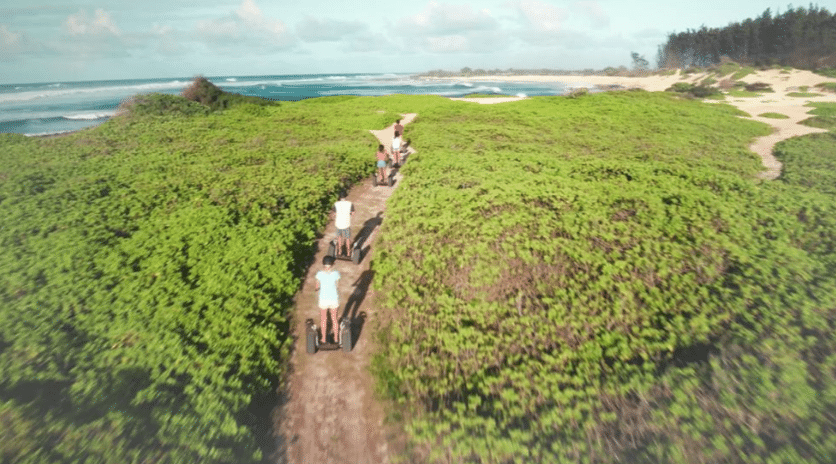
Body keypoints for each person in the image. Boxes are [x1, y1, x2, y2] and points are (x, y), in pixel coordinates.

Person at [315, 256, 340, 344]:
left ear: (323, 264)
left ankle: (324, 339)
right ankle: (336, 338)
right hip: (334, 299)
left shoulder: (319, 274)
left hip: (323, 299)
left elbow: (317, 287)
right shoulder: (336, 273)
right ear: (332, 264)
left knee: (323, 319)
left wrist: (317, 289)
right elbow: (337, 286)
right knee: (334, 319)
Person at [332, 192, 354, 256]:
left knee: (339, 238)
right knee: (347, 238)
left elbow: (334, 214)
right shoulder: (350, 204)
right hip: (346, 223)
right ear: (346, 197)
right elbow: (353, 213)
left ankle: (339, 251)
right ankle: (348, 252)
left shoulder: (336, 204)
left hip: (338, 224)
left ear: (339, 197)